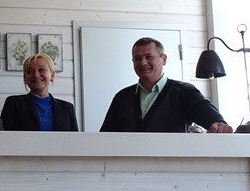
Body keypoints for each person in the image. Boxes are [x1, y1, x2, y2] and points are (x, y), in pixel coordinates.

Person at [100, 37, 233, 133]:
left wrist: (218, 125)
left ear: (163, 59)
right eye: (138, 58)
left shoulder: (185, 92)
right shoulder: (121, 97)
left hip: (171, 164)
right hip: (126, 164)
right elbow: (104, 137)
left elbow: (209, 116)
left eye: (148, 57)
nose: (143, 62)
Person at [1, 53, 79, 131]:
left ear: (52, 75)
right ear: (25, 78)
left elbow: (75, 138)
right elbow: (3, 136)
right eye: (30, 71)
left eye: (42, 70)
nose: (36, 75)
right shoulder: (13, 103)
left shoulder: (67, 108)